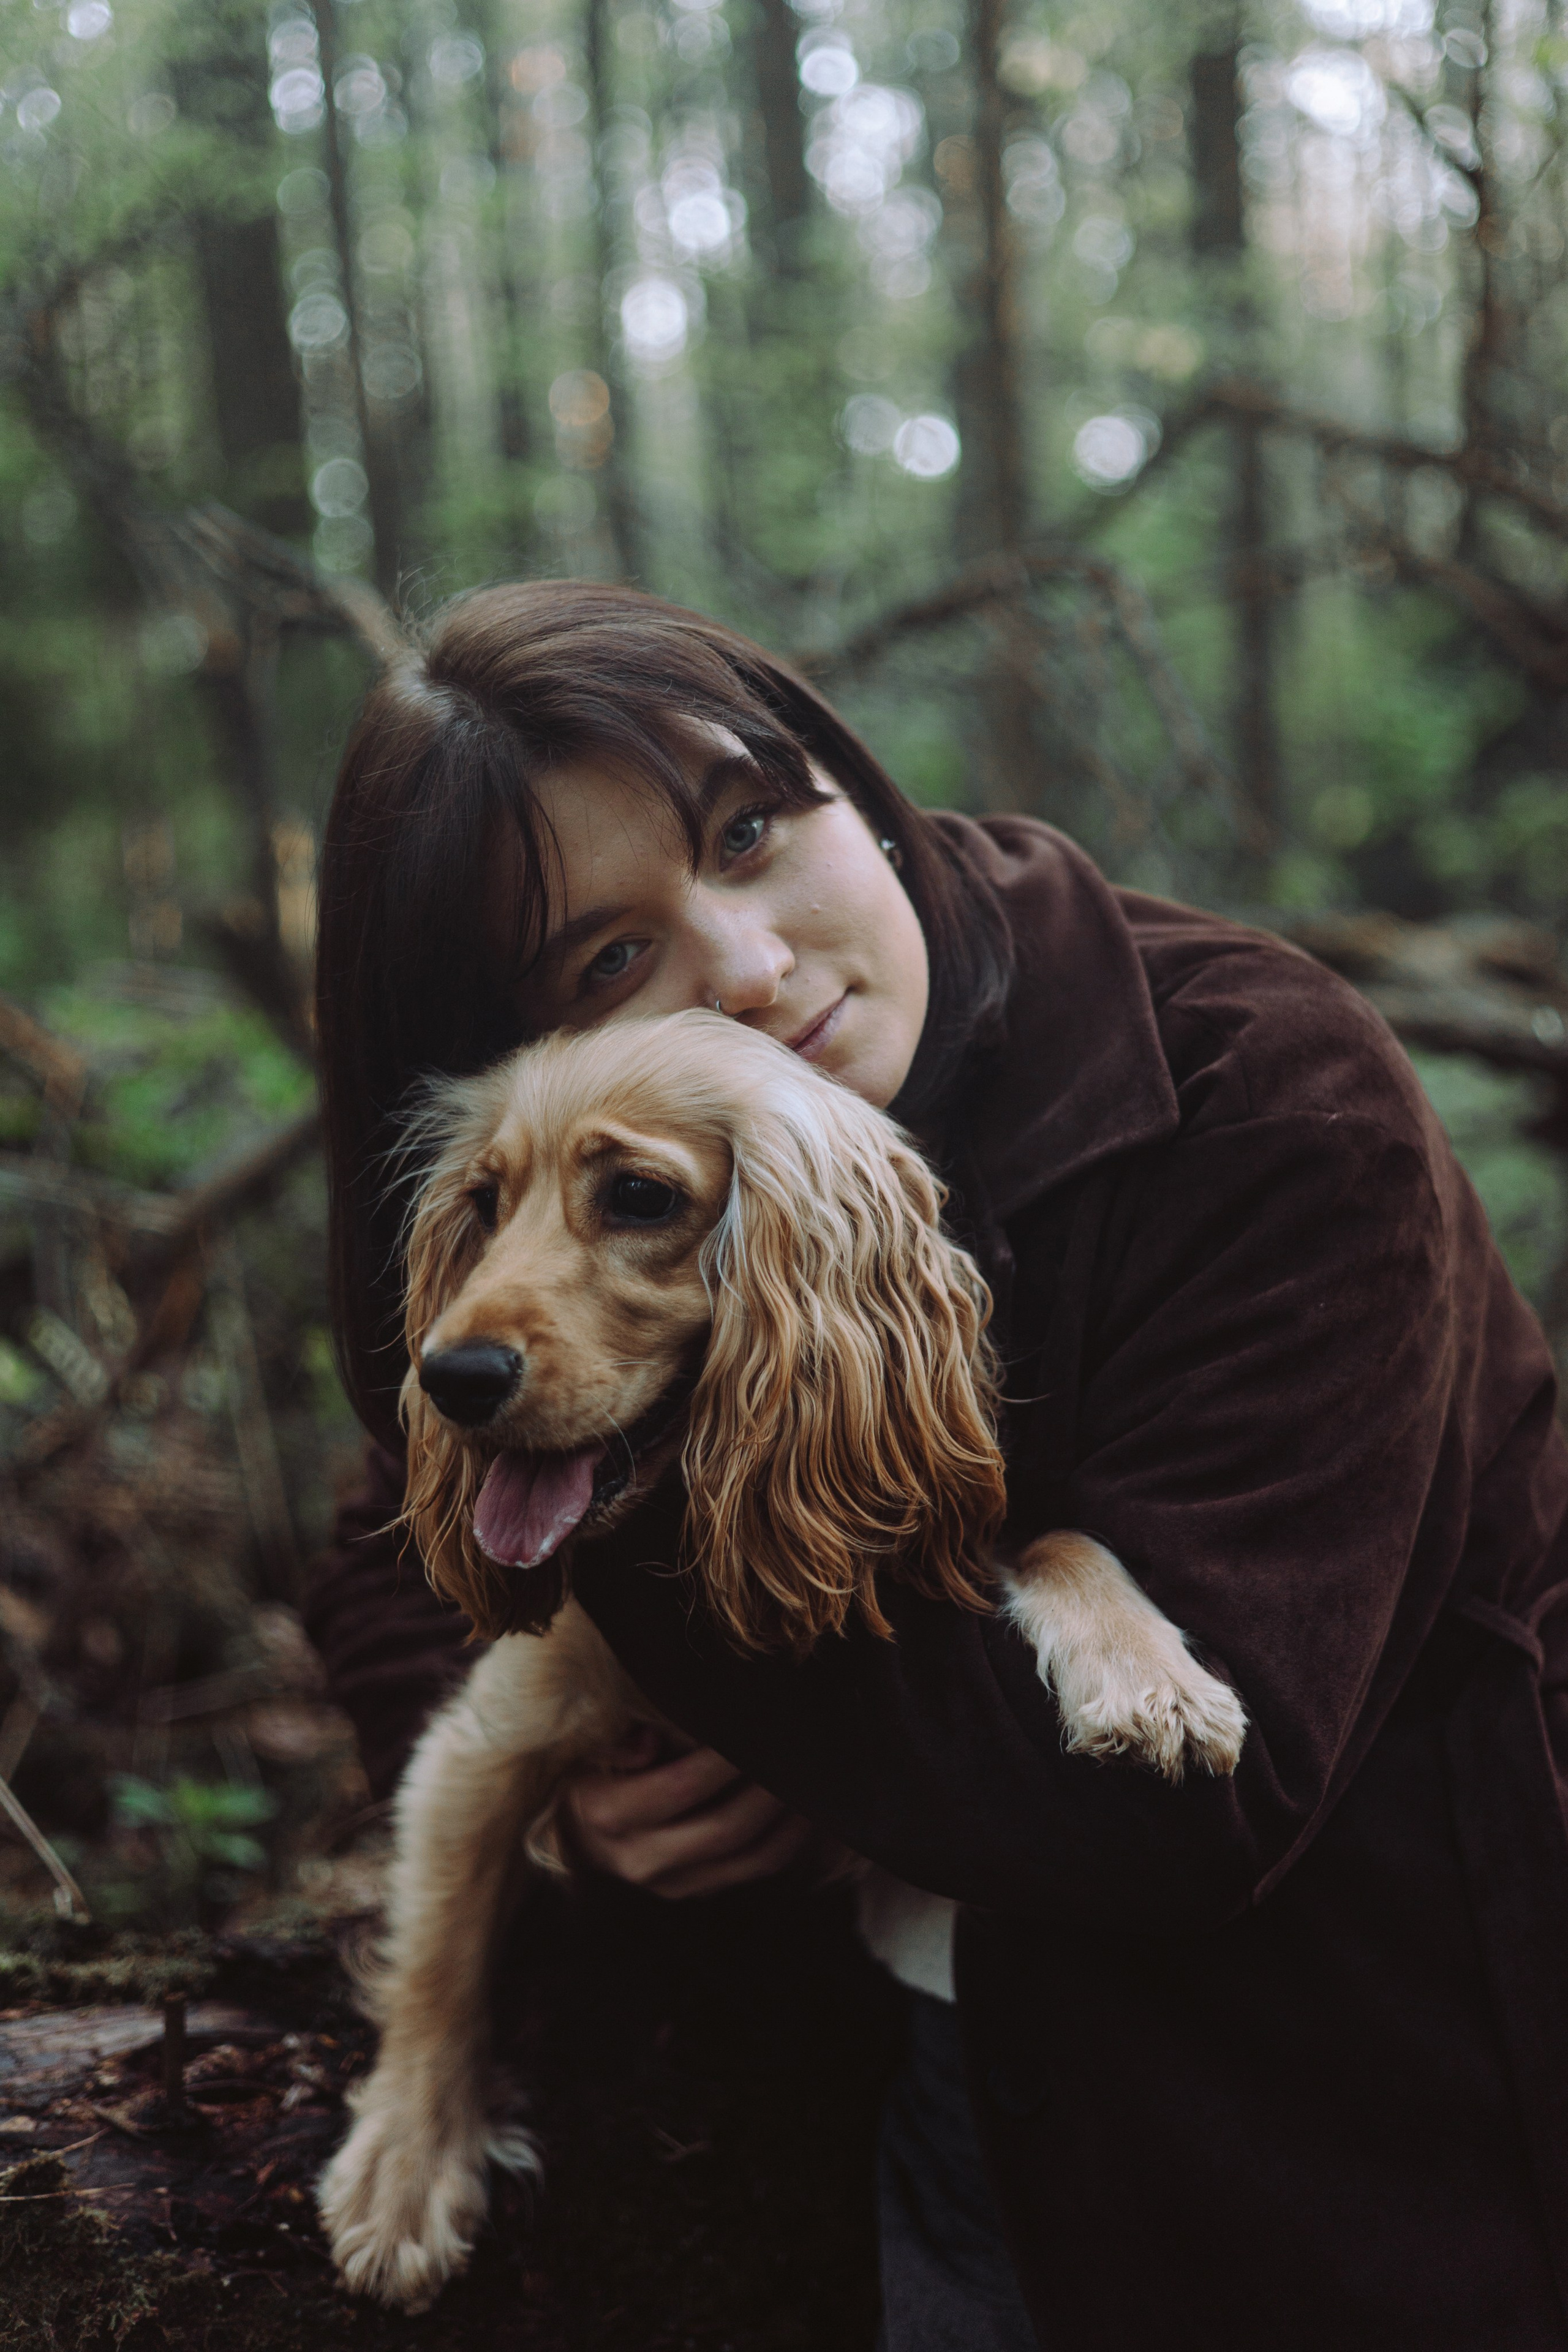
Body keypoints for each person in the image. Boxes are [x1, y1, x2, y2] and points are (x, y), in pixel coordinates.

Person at [305, 579, 1568, 2352]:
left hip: (1341, 2120)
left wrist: (657, 1593)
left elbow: (1190, 1805)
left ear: (846, 779)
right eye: (609, 962)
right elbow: (398, 1512)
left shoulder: (1268, 1093)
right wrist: (580, 1822)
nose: (744, 968)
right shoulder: (596, 1173)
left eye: (751, 830)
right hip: (875, 2090)